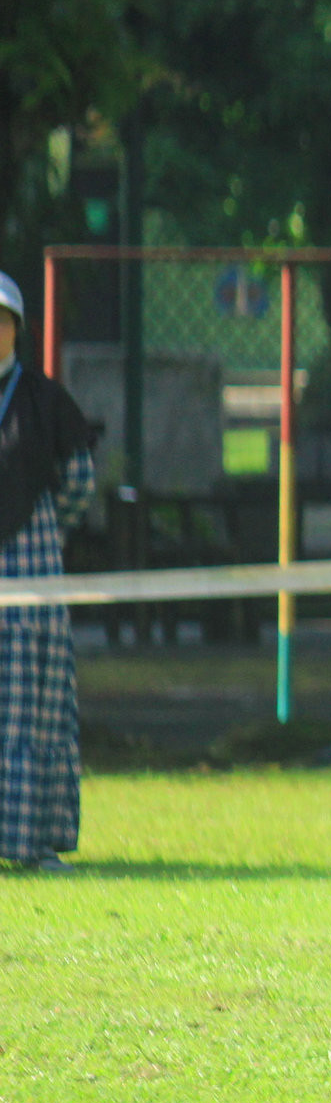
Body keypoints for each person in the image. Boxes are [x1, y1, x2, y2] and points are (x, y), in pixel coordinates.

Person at [0, 270, 96, 871]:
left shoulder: (44, 400)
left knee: (30, 707)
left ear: (17, 329)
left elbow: (79, 484)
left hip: (32, 569)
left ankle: (27, 842)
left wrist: (39, 532)